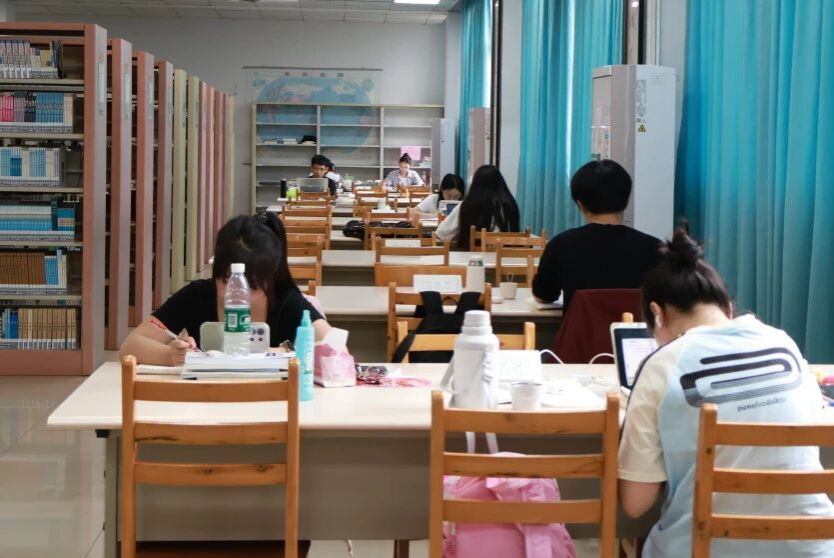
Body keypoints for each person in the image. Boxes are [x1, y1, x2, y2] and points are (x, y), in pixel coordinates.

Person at [618, 228, 834, 557]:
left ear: (657, 314)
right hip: (811, 548)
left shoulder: (662, 365)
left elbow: (635, 504)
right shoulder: (783, 342)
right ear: (728, 309)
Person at [119, 213, 331, 365]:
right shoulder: (196, 296)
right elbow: (131, 346)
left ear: (271, 278)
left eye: (253, 286)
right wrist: (170, 355)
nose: (237, 293)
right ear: (216, 269)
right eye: (227, 279)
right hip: (206, 404)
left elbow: (334, 348)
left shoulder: (286, 301)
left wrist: (284, 350)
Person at [532, 159, 660, 308]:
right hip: (635, 324)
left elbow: (543, 295)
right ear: (627, 200)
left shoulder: (561, 244)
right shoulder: (655, 248)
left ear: (580, 204)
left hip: (580, 324)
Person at [435, 165, 519, 250]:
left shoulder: (467, 205)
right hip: (507, 256)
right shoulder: (511, 204)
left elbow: (442, 233)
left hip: (473, 256)